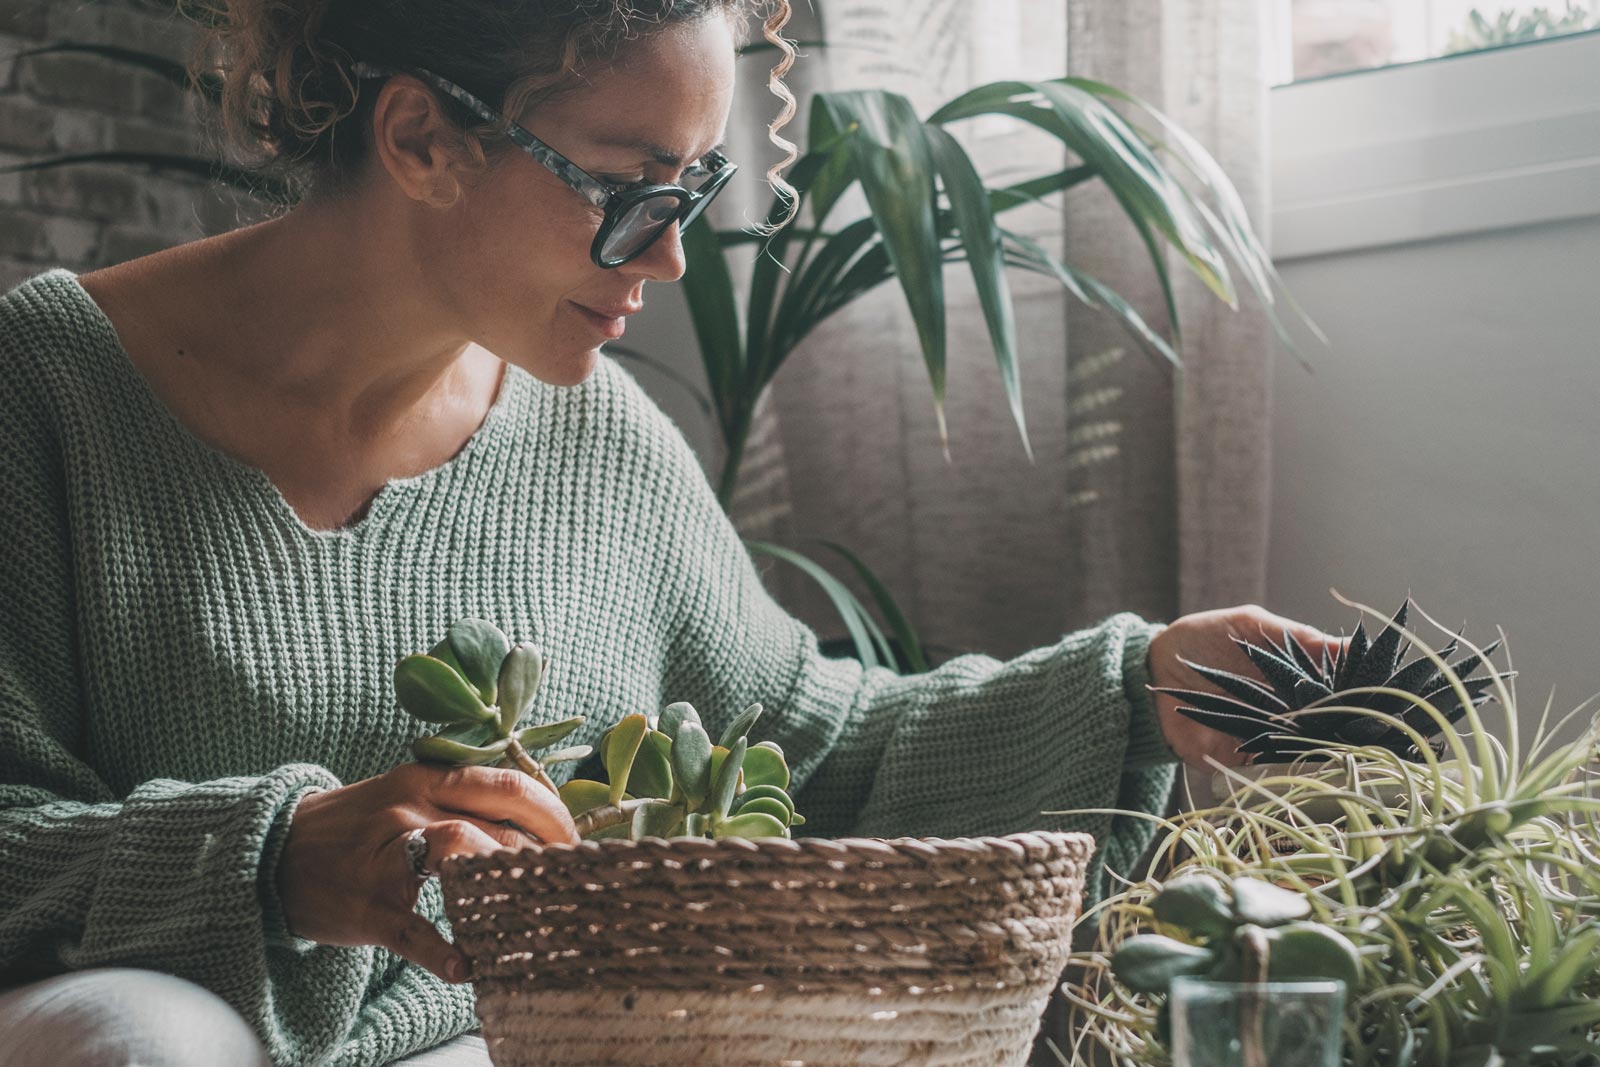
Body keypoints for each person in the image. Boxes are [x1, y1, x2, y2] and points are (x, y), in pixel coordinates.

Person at [0, 0, 1347, 1064]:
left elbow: (810, 748)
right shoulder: (47, 391)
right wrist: (276, 858)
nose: (670, 260)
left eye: (694, 191)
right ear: (419, 140)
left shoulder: (601, 442)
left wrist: (1137, 682)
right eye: (630, 186)